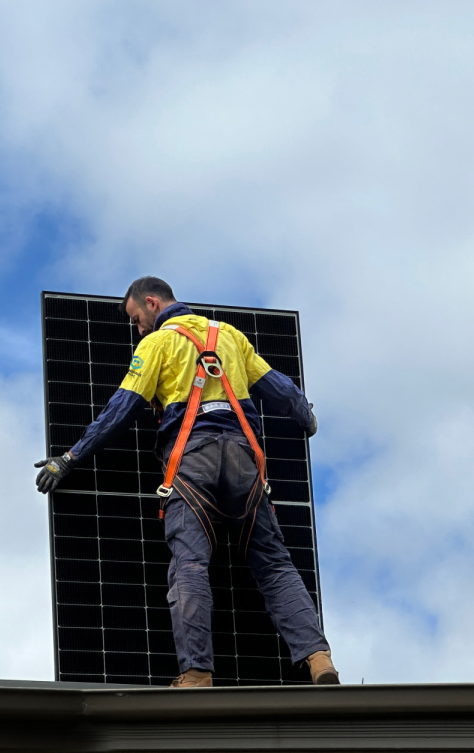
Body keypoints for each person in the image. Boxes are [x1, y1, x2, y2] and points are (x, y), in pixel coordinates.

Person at [35, 276, 338, 688]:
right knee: (274, 564)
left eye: (137, 318)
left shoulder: (156, 344)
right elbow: (279, 388)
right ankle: (319, 660)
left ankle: (196, 674)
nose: (137, 327)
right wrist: (306, 416)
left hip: (191, 461)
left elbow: (121, 408)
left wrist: (69, 459)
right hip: (245, 460)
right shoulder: (228, 335)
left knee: (190, 565)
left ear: (153, 303)